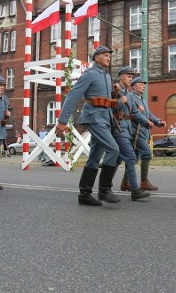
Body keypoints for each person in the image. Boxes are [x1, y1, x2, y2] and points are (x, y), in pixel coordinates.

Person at [54, 46, 121, 206]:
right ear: (96, 57)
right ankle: (105, 190)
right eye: (105, 55)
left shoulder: (105, 75)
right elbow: (72, 96)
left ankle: (85, 194)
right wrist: (62, 121)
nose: (108, 58)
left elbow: (105, 99)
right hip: (93, 118)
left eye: (109, 56)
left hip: (104, 118)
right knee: (113, 149)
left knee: (95, 156)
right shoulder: (90, 74)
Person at [121, 76, 166, 192]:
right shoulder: (130, 96)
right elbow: (131, 113)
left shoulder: (143, 100)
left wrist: (158, 121)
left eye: (144, 84)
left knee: (134, 158)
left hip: (144, 131)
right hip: (135, 132)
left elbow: (149, 114)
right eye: (141, 84)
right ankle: (144, 182)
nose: (143, 86)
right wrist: (145, 119)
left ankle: (125, 183)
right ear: (134, 86)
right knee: (146, 154)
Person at [112, 66, 150, 201]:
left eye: (132, 77)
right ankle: (135, 190)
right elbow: (108, 107)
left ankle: (106, 186)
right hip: (118, 127)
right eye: (129, 76)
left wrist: (146, 121)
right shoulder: (114, 90)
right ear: (121, 76)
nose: (130, 79)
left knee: (116, 159)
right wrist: (118, 102)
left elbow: (134, 111)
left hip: (127, 129)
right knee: (130, 157)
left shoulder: (128, 94)